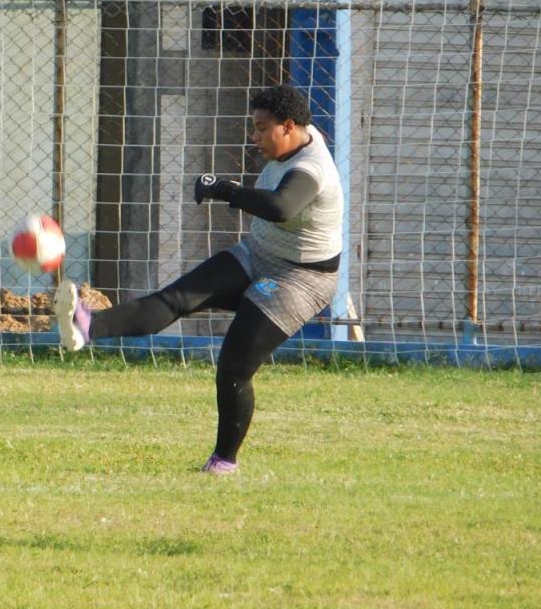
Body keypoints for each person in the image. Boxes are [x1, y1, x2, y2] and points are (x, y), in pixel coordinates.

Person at [54, 84, 343, 475]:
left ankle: (224, 461)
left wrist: (225, 190)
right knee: (177, 298)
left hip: (300, 278)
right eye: (252, 127)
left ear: (289, 126)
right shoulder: (297, 138)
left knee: (234, 368)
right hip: (258, 253)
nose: (254, 137)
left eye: (261, 128)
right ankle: (86, 325)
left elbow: (280, 206)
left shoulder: (312, 167)